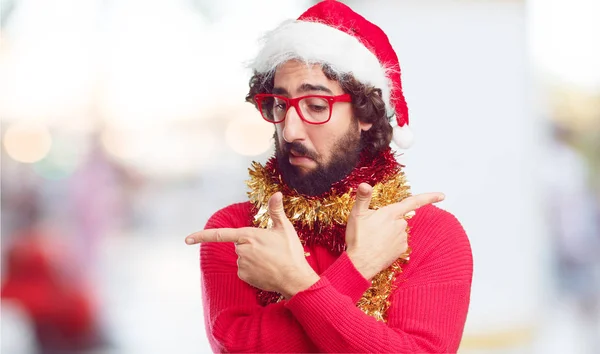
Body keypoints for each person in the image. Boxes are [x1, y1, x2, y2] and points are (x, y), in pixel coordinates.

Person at [185, 1, 473, 352]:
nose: (290, 131)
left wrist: (295, 284)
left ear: (366, 112)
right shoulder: (237, 230)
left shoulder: (429, 233)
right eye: (279, 105)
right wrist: (357, 266)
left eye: (316, 107)